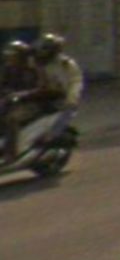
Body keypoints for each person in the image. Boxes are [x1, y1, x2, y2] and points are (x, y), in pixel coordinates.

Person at [2, 33, 83, 163]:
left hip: (45, 101)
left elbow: (66, 85)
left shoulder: (61, 65)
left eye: (14, 55)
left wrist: (71, 100)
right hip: (29, 99)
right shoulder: (16, 68)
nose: (11, 58)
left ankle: (11, 154)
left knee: (12, 119)